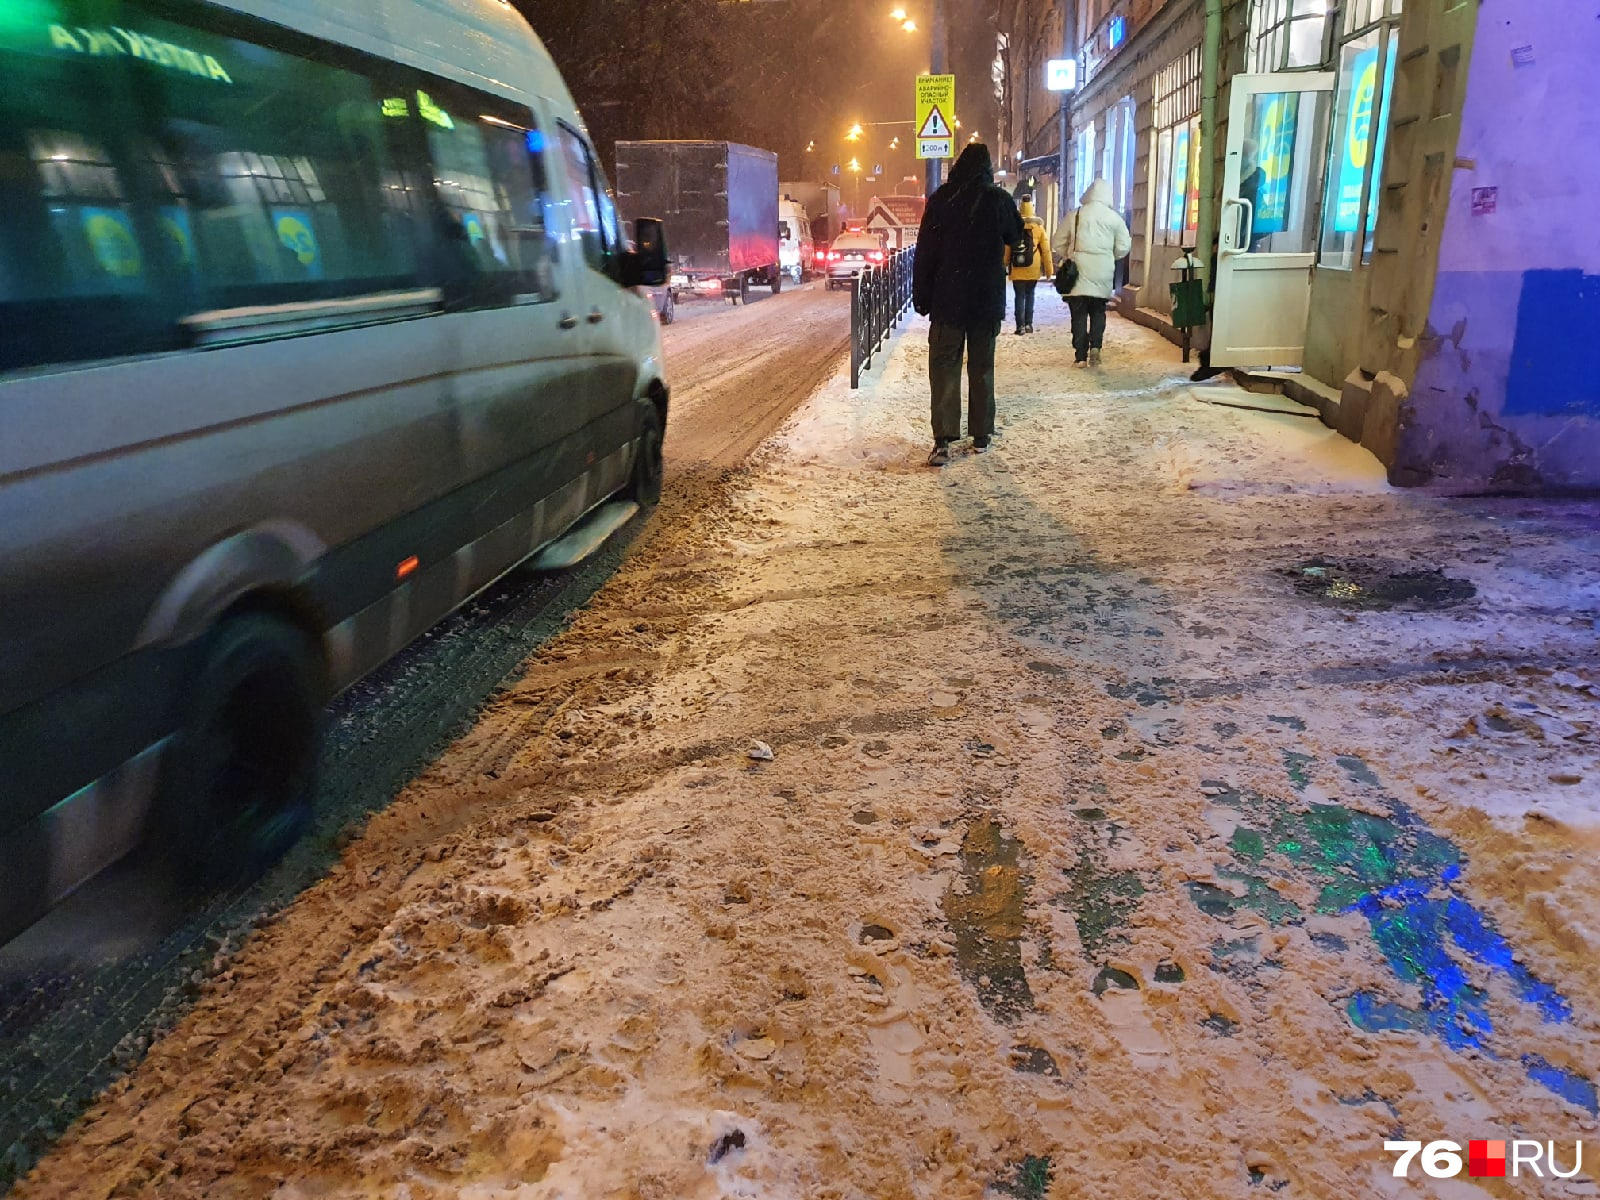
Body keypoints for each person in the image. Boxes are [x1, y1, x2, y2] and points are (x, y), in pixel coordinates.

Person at [912, 142, 1023, 466]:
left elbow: (925, 253)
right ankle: (981, 435)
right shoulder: (998, 200)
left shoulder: (941, 200)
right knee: (982, 366)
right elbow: (1016, 234)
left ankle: (943, 438)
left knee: (945, 366)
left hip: (948, 299)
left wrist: (922, 295)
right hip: (985, 299)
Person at [1051, 178, 1131, 368]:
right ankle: (1096, 347)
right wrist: (1108, 256)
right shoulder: (1114, 218)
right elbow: (1123, 247)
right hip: (1102, 271)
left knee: (1078, 314)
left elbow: (1057, 242)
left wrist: (1069, 255)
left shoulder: (1075, 215)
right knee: (1097, 312)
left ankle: (1080, 356)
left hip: (1078, 271)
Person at [1005, 198, 1053, 336]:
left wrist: (1004, 264)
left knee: (1019, 296)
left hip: (1017, 268)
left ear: (1020, 209)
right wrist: (1049, 270)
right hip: (1033, 267)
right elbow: (1046, 250)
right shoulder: (1038, 228)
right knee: (1030, 294)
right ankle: (1029, 324)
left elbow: (1008, 248)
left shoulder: (1013, 227)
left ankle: (1019, 326)